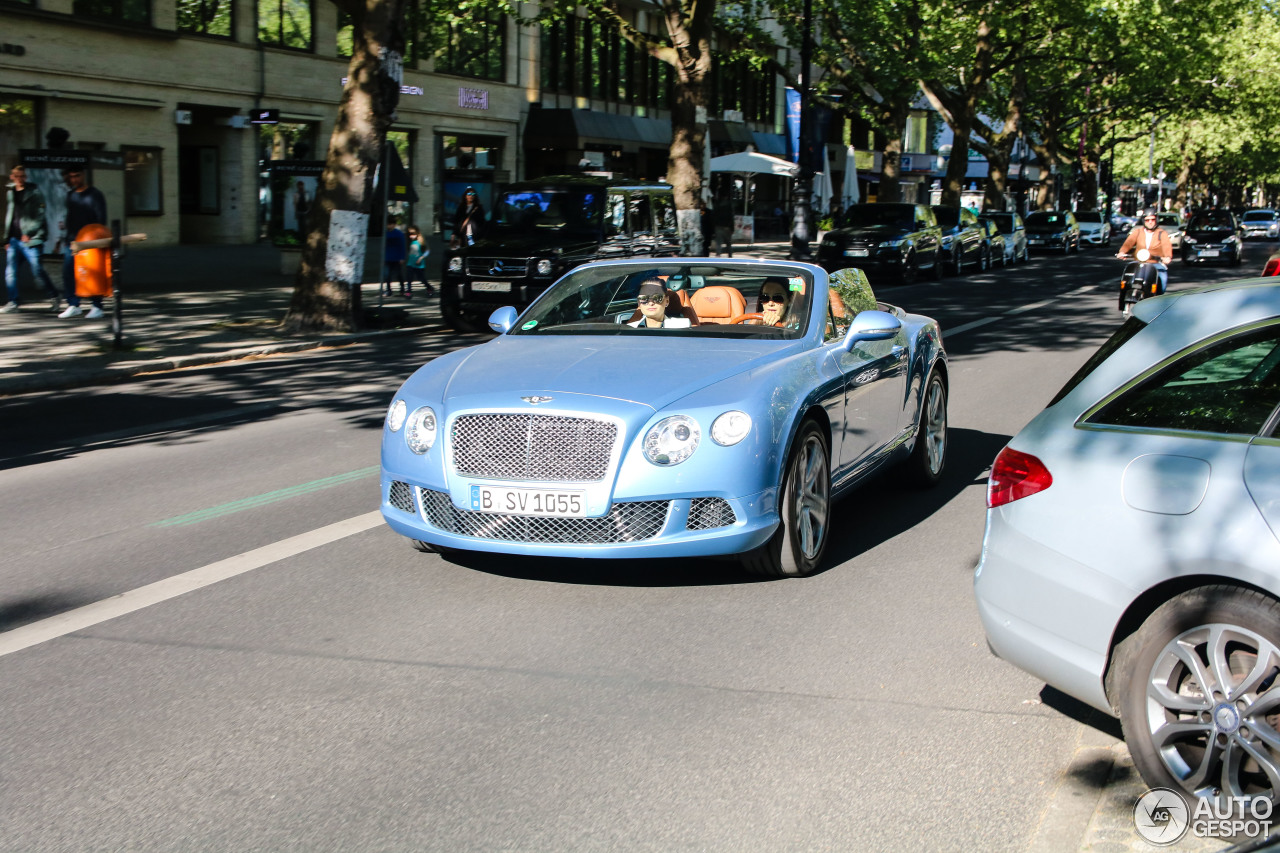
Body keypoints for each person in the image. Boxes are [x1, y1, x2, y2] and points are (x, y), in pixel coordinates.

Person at [3, 164, 61, 314]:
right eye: (16, 176)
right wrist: (6, 239)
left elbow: (40, 214)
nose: (19, 179)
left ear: (25, 177)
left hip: (31, 239)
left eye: (22, 176)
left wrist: (29, 232)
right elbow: (10, 215)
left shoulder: (34, 192)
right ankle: (13, 302)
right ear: (12, 177)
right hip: (14, 240)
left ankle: (54, 295)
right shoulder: (10, 192)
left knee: (37, 270)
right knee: (10, 271)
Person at [57, 167, 108, 319]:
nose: (74, 180)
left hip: (90, 240)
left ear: (83, 175)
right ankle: (73, 304)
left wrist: (97, 239)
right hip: (73, 240)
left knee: (92, 273)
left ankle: (97, 306)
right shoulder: (70, 195)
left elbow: (101, 218)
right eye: (71, 177)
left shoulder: (95, 194)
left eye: (77, 176)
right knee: (68, 272)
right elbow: (70, 217)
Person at [1116, 209, 1172, 311]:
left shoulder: (1161, 233)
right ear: (1143, 221)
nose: (1150, 222)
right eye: (1147, 220)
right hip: (1139, 261)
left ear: (1156, 220)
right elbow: (1128, 243)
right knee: (1127, 275)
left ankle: (1158, 301)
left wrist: (1167, 257)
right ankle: (1124, 297)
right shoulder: (1137, 232)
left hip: (1155, 263)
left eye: (1152, 219)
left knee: (1162, 278)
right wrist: (1122, 252)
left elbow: (1166, 246)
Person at [627, 278, 692, 329]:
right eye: (644, 298)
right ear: (639, 302)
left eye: (657, 297)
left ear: (667, 301)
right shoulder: (629, 329)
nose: (651, 303)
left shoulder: (682, 326)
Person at [406, 224, 433, 296]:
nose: (411, 236)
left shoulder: (421, 242)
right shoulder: (410, 242)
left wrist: (421, 258)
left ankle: (429, 288)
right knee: (409, 278)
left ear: (417, 233)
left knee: (421, 279)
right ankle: (409, 291)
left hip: (419, 265)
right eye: (409, 234)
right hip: (410, 263)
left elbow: (427, 251)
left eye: (412, 234)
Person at [382, 218, 407, 296]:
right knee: (387, 275)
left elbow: (402, 246)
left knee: (398, 274)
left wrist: (402, 257)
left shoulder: (399, 233)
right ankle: (389, 290)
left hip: (397, 257)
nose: (389, 226)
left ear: (394, 225)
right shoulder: (385, 233)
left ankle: (402, 288)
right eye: (388, 224)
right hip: (388, 257)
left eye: (391, 224)